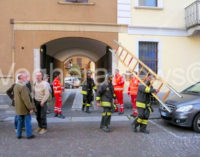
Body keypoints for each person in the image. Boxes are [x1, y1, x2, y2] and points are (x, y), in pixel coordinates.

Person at [14, 72, 36, 139]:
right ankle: (29, 135)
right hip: (24, 108)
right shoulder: (23, 87)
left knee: (20, 121)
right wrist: (30, 108)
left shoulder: (16, 86)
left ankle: (18, 135)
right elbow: (26, 99)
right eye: (25, 77)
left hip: (18, 108)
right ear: (21, 78)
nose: (27, 78)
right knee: (27, 122)